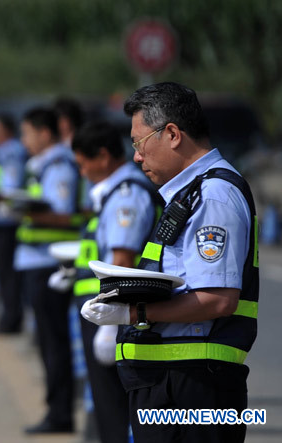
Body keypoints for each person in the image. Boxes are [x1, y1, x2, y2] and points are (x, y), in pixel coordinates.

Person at [81, 82, 259, 443]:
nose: (136, 156)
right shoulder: (190, 194)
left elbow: (218, 298)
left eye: (138, 142)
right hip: (173, 383)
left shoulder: (213, 197)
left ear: (173, 134)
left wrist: (136, 314)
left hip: (193, 387)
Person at [71, 121, 162, 443]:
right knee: (105, 403)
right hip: (103, 311)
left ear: (104, 156)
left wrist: (110, 327)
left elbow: (122, 260)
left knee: (113, 408)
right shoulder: (112, 193)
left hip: (113, 316)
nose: (81, 173)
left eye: (83, 164)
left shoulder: (126, 195)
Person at [13, 107, 84, 434]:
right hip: (36, 261)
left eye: (27, 133)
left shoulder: (58, 166)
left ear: (45, 133)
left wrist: (22, 208)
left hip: (49, 263)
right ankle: (57, 410)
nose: (24, 141)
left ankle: (60, 414)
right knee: (47, 341)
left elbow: (64, 214)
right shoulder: (43, 165)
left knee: (54, 342)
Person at [0, 113, 27, 333]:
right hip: (0, 218)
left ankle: (10, 319)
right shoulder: (7, 150)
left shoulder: (9, 151)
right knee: (6, 273)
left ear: (6, 130)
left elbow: (9, 187)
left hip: (5, 220)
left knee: (7, 274)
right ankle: (10, 316)